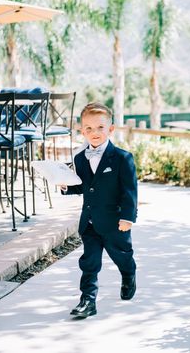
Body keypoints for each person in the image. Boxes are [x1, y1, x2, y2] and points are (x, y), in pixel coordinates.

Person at [60, 102, 138, 318]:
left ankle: (129, 274)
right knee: (89, 262)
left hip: (115, 222)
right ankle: (88, 300)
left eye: (100, 127)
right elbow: (84, 185)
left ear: (110, 129)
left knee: (122, 256)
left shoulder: (123, 158)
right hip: (90, 221)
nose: (94, 133)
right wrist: (65, 184)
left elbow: (129, 191)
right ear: (82, 131)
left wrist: (127, 218)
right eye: (89, 128)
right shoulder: (79, 158)